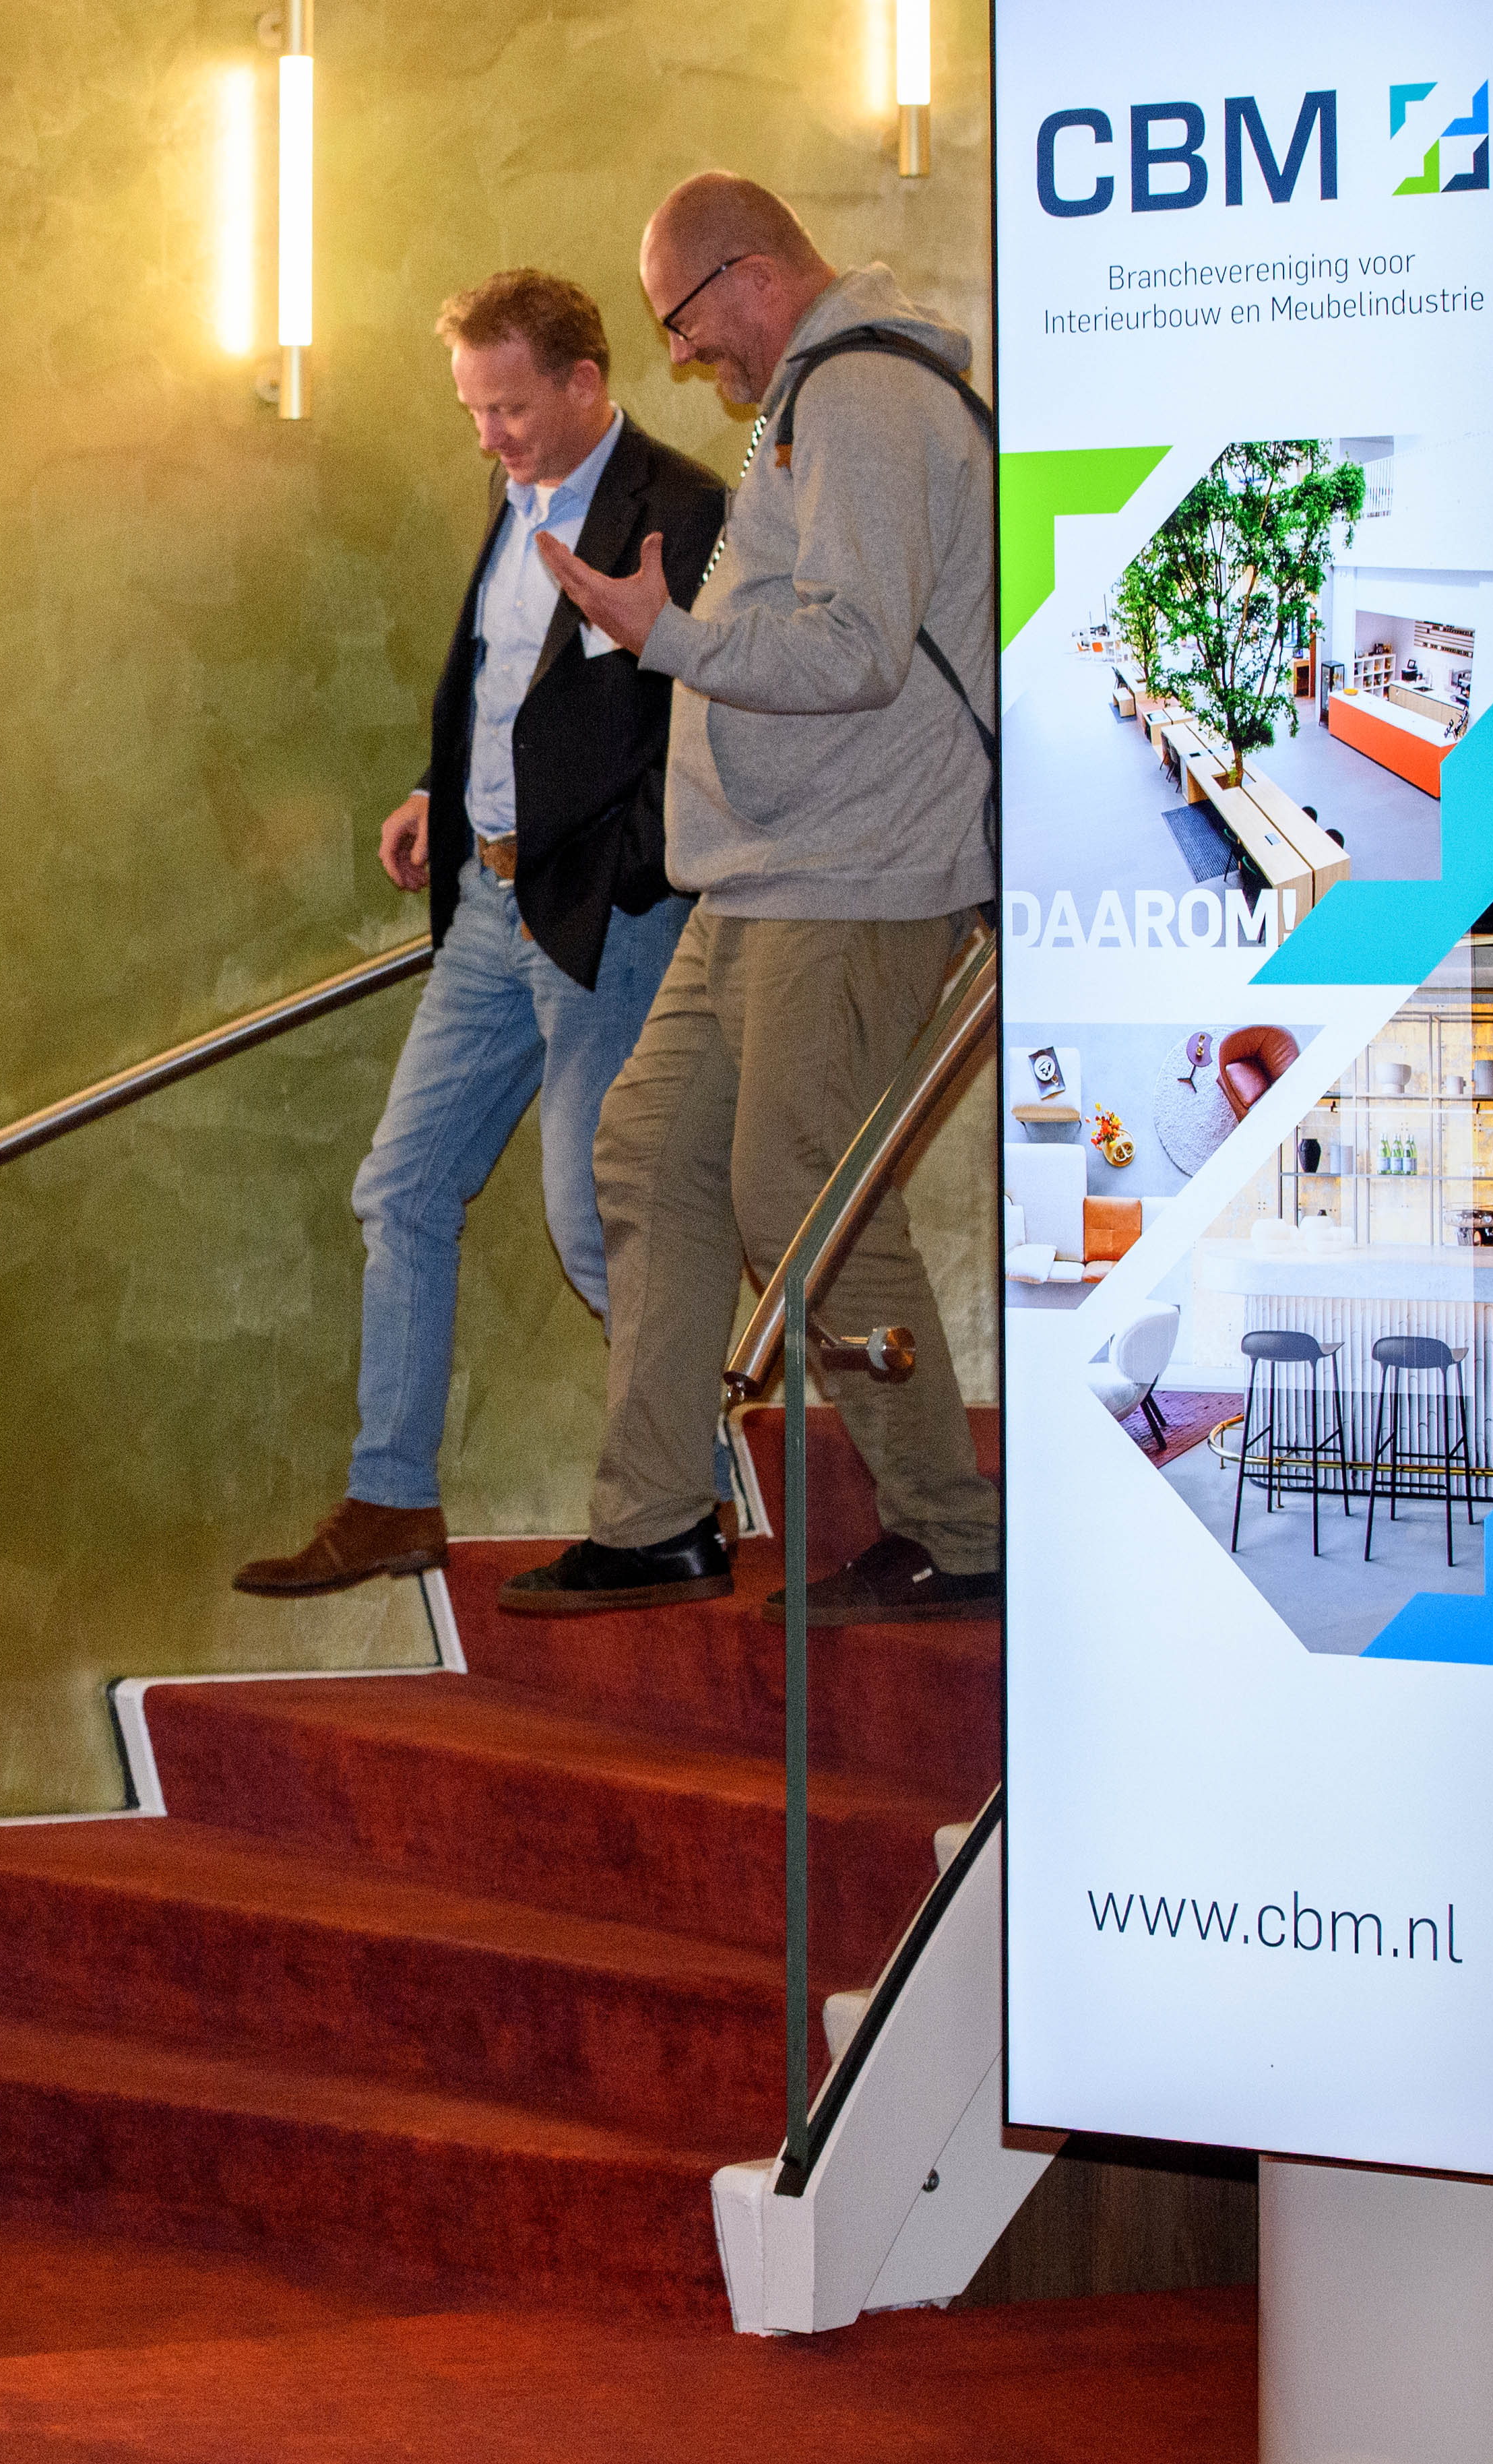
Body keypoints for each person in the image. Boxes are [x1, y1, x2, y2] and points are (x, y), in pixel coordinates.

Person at [506, 173, 1002, 1624]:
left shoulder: (864, 395)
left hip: (854, 875)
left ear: (751, 275)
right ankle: (656, 1520)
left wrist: (665, 636)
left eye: (681, 319)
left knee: (805, 1188)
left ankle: (959, 1530)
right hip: (765, 877)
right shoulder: (809, 403)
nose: (680, 354)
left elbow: (855, 649)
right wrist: (679, 639)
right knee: (652, 1153)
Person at [232, 269, 725, 1600]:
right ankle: (390, 1500)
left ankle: (693, 1495)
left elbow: (697, 726)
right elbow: (511, 692)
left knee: (596, 1219)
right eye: (473, 411)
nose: (488, 435)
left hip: (604, 915)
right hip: (487, 907)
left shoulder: (680, 507)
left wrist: (626, 871)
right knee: (399, 1187)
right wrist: (436, 795)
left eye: (508, 408)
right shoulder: (516, 496)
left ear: (584, 381)